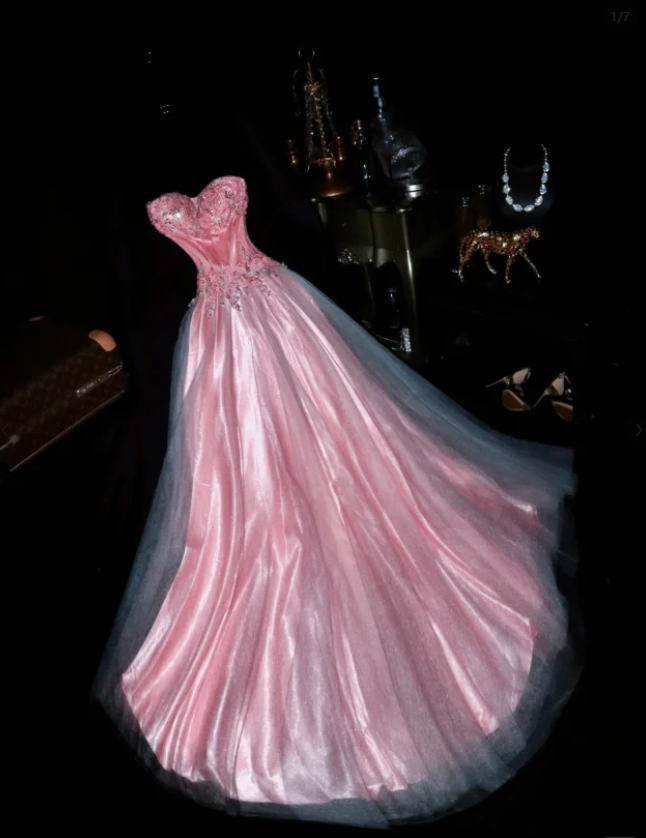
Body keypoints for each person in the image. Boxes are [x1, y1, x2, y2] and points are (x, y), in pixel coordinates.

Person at [93, 175, 580, 829]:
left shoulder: (241, 154)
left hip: (285, 312)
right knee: (244, 473)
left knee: (349, 432)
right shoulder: (128, 207)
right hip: (222, 343)